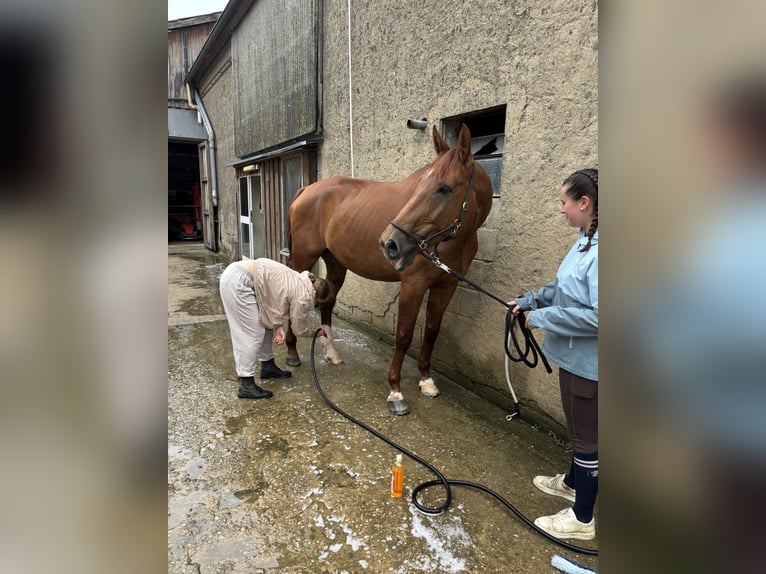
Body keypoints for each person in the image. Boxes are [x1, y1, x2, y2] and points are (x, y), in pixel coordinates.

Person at [508, 168, 598, 540]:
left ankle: (582, 519)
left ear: (584, 202)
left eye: (564, 202)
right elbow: (563, 288)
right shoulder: (585, 240)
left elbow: (599, 316)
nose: (560, 209)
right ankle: (574, 484)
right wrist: (530, 301)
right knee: (579, 431)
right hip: (573, 358)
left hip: (590, 367)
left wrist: (541, 317)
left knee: (588, 440)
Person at [219, 257, 331, 400]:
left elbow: (272, 300)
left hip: (238, 276)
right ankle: (246, 385)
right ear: (316, 297)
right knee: (251, 334)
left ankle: (268, 367)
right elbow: (298, 329)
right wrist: (316, 333)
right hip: (239, 283)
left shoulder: (299, 280)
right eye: (317, 303)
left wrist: (277, 325)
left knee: (265, 326)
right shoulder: (304, 296)